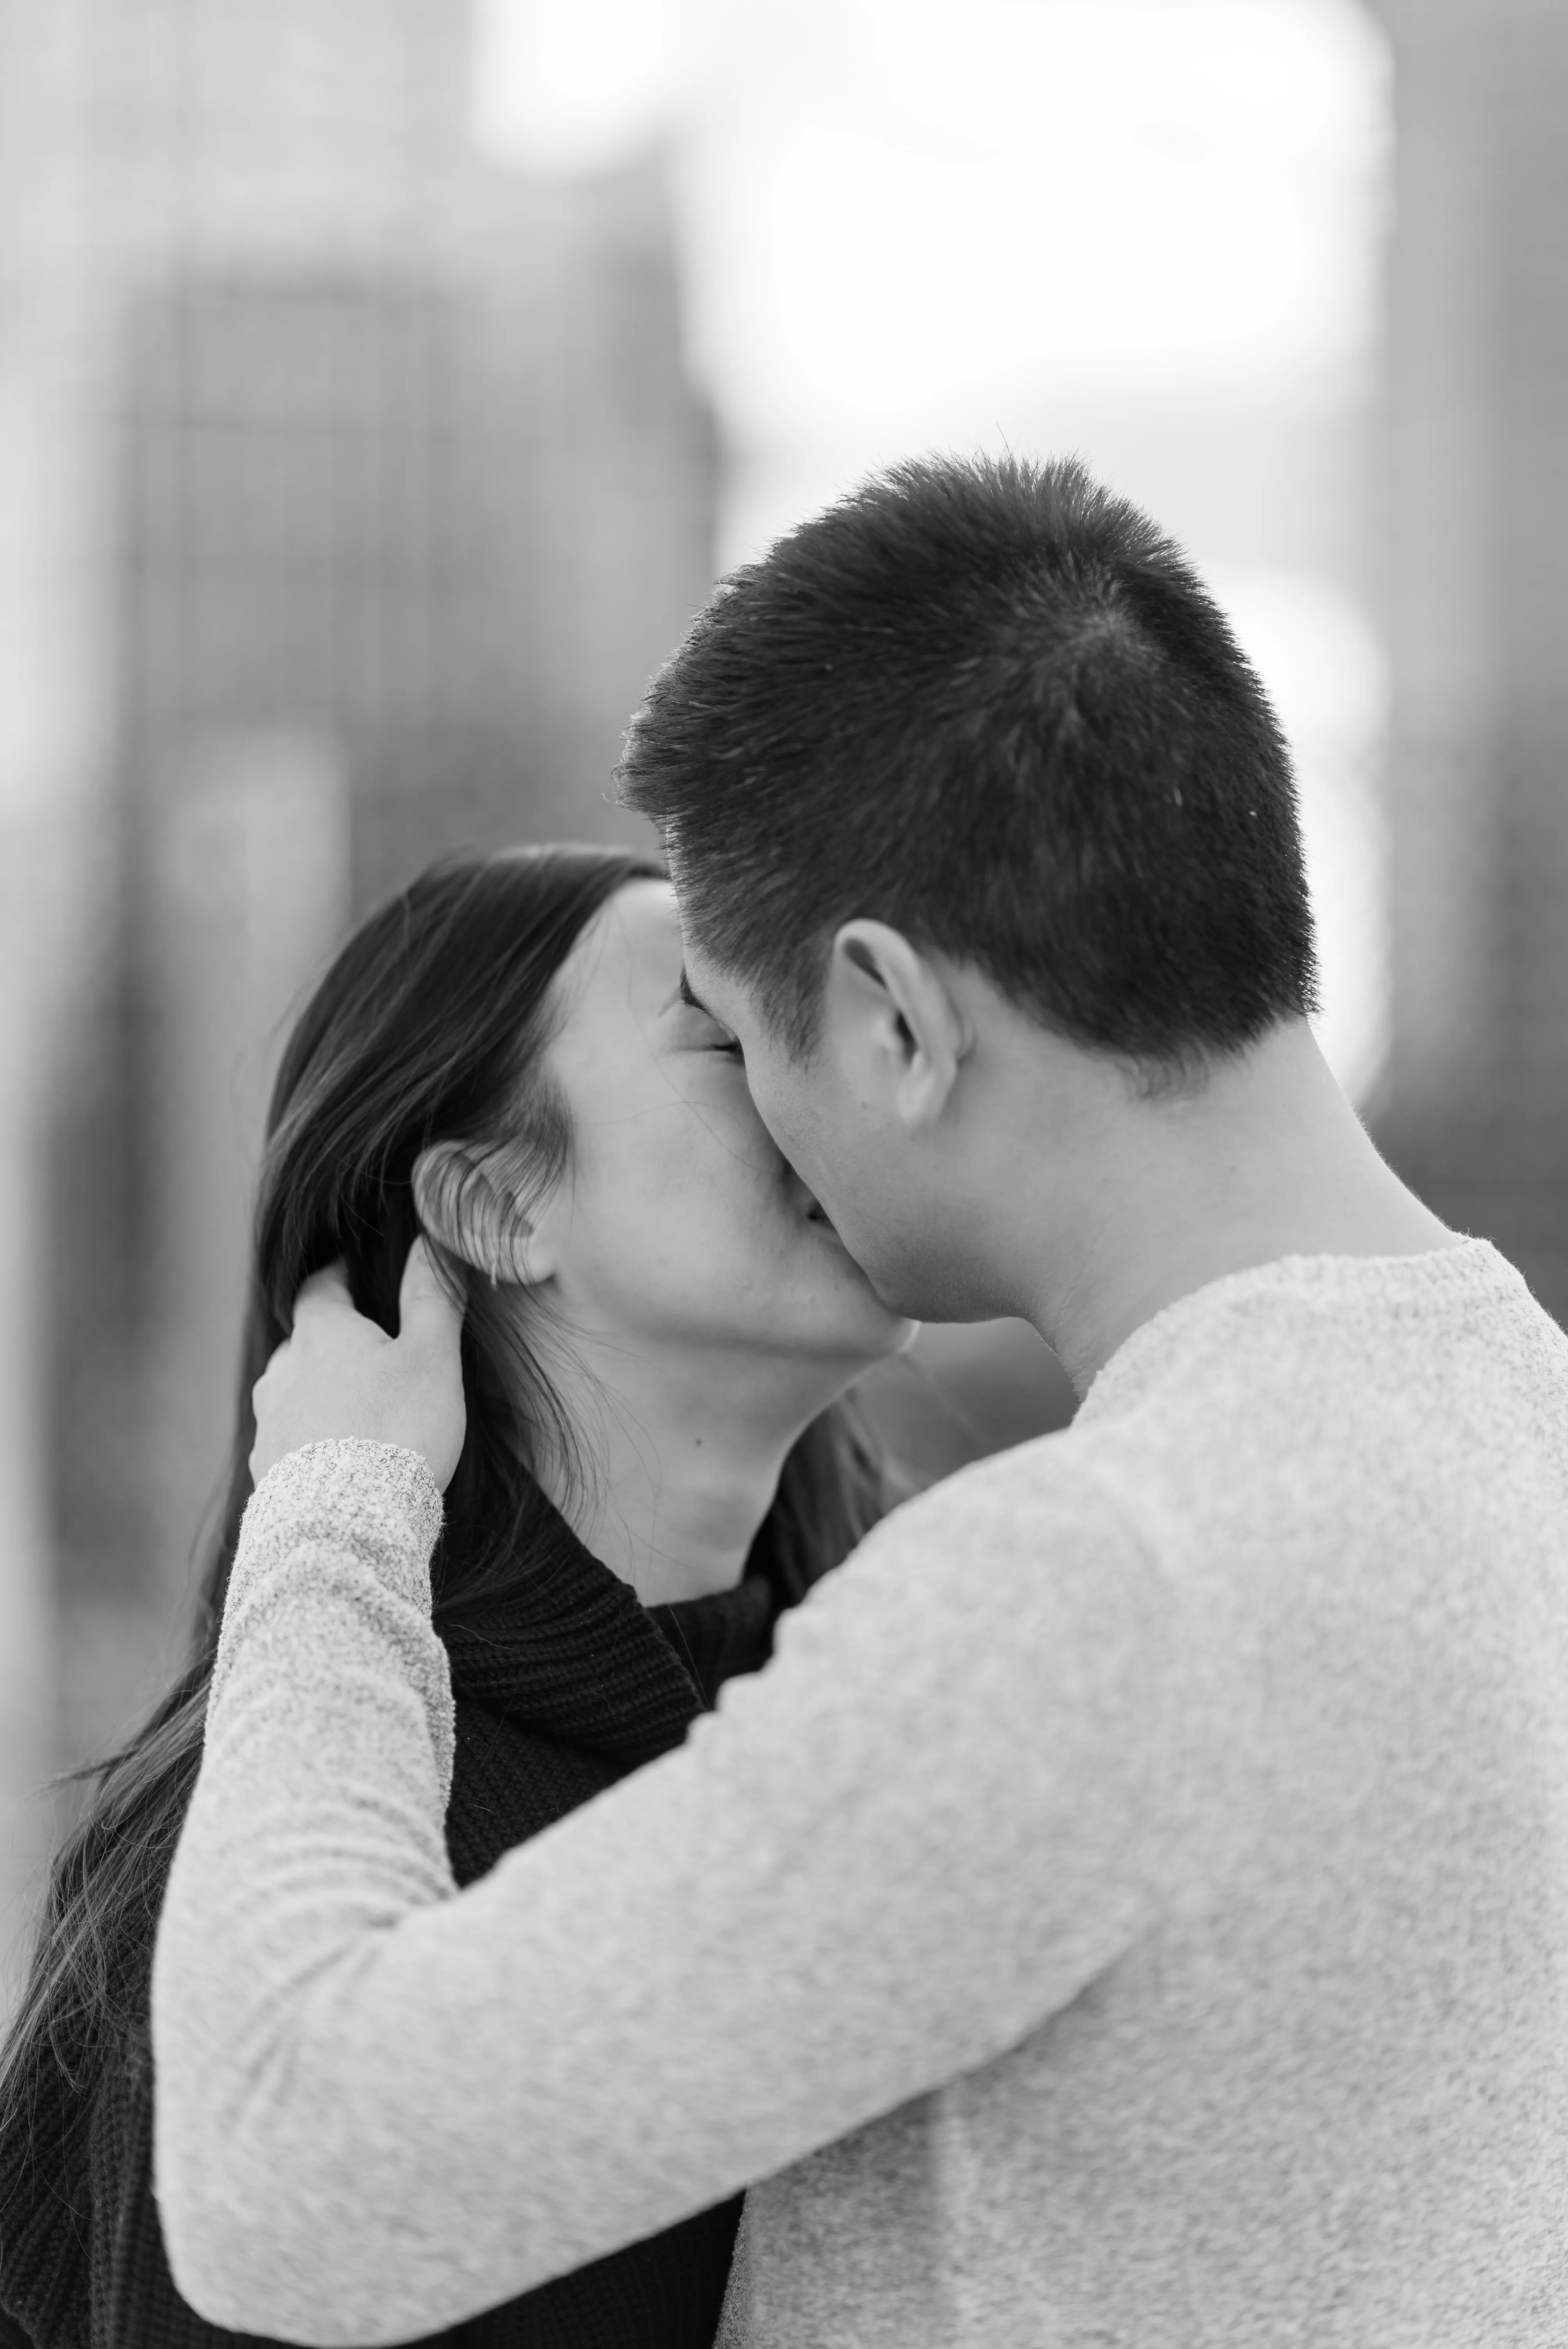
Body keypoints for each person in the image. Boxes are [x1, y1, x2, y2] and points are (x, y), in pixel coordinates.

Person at [152, 456, 1568, 2347]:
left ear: (892, 1022)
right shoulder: (1518, 1425)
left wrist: (328, 1501)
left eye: (744, 1031)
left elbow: (279, 2175)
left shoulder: (1095, 1586)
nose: (764, 1112)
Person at [0, 845, 911, 2349]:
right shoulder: (266, 1867)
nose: (830, 1068)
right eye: (719, 1020)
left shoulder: (928, 1713)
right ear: (493, 1207)